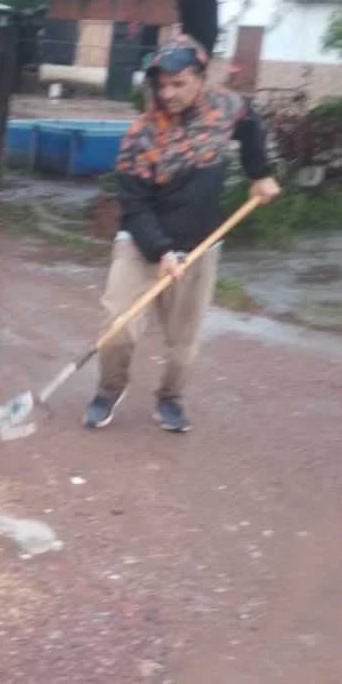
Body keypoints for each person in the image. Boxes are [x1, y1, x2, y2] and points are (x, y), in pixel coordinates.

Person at [84, 35, 281, 434]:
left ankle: (170, 399)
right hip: (142, 243)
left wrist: (260, 172)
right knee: (117, 325)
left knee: (183, 340)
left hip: (200, 244)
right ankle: (109, 389)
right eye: (162, 85)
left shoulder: (226, 108)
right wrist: (160, 251)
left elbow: (250, 123)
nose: (168, 93)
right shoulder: (141, 134)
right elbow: (134, 204)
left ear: (200, 79)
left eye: (179, 83)